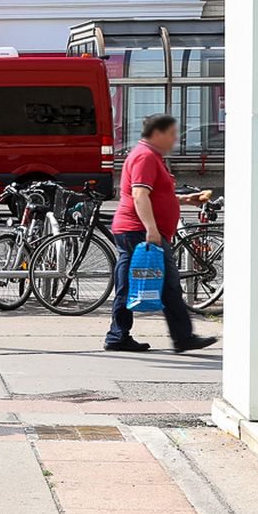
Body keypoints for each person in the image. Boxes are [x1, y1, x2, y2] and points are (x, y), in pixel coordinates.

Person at [105, 114, 220, 354]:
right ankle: (181, 337)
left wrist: (183, 200)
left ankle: (120, 335)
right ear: (157, 133)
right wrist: (151, 228)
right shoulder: (145, 157)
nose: (175, 139)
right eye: (171, 134)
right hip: (138, 230)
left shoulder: (150, 156)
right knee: (165, 284)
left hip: (136, 230)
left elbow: (157, 194)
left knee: (136, 283)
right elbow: (140, 194)